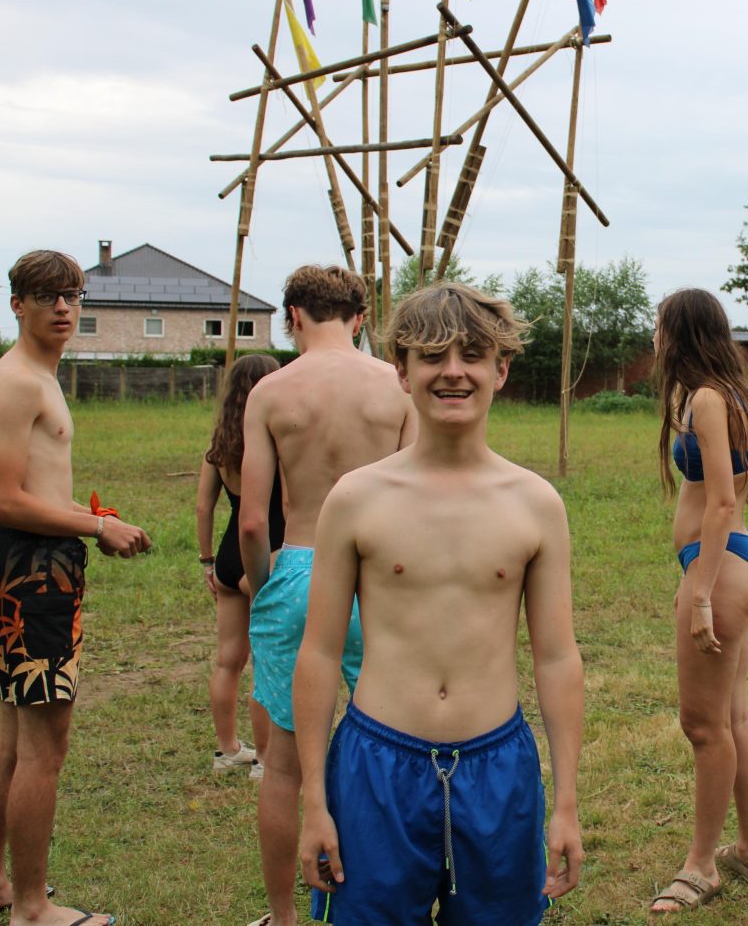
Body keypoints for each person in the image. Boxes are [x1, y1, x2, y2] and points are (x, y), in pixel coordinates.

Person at [295, 282, 584, 925]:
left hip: (498, 769)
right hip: (376, 766)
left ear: (500, 371)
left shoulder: (535, 504)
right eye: (431, 356)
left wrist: (565, 801)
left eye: (472, 355)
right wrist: (315, 799)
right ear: (402, 372)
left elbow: (558, 657)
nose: (453, 371)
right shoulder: (356, 499)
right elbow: (318, 653)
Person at [0, 249, 150, 926]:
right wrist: (96, 524)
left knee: (15, 741)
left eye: (72, 295)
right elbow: (2, 500)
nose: (63, 308)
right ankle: (32, 908)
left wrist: (91, 523)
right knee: (43, 747)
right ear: (18, 305)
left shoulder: (36, 374)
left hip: (37, 567)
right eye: (47, 296)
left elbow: (31, 491)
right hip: (32, 573)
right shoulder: (18, 382)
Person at [241, 265, 417, 926]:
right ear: (361, 317)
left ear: (293, 316)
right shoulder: (397, 387)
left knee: (284, 766)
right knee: (397, 747)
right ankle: (392, 897)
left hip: (300, 570)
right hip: (380, 575)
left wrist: (265, 588)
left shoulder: (270, 392)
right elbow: (418, 496)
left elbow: (253, 522)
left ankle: (284, 916)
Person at [647, 288, 748, 913]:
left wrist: (699, 592)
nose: (654, 338)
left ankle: (702, 867)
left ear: (679, 333)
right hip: (735, 565)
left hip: (719, 572)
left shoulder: (706, 398)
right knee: (734, 718)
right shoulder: (728, 392)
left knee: (703, 727)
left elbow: (722, 503)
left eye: (659, 327)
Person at [195, 353, 284, 779]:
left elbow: (203, 507)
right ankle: (265, 758)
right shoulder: (277, 441)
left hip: (228, 557)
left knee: (228, 660)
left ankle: (228, 750)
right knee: (267, 663)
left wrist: (207, 562)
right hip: (266, 554)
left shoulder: (219, 446)